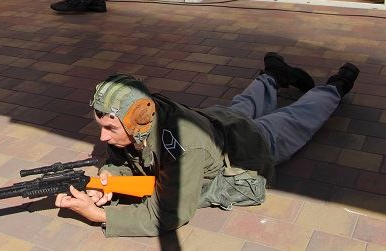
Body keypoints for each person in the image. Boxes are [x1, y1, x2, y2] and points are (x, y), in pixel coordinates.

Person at [55, 52, 359, 237]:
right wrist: (109, 179)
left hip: (249, 143)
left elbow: (169, 213)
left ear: (138, 118)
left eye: (109, 128)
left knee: (297, 117)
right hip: (217, 121)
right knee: (243, 105)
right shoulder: (141, 110)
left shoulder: (182, 147)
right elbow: (123, 160)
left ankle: (335, 86)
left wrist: (101, 216)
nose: (103, 137)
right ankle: (273, 75)